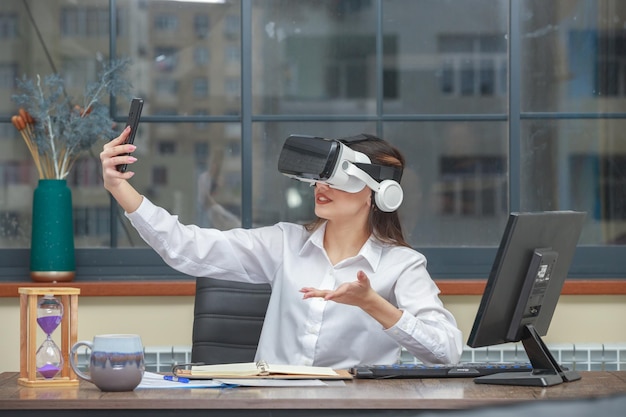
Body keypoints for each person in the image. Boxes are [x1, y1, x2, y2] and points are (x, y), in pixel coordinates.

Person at [100, 127, 463, 369]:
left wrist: (373, 304)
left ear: (376, 193)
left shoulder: (402, 266)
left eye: (339, 179)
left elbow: (446, 351)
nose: (322, 186)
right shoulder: (284, 243)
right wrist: (119, 188)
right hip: (273, 405)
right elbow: (186, 247)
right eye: (321, 177)